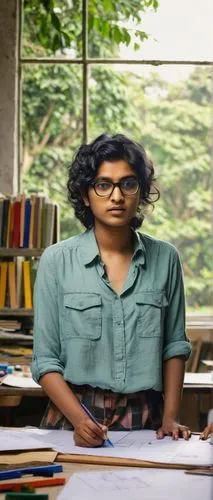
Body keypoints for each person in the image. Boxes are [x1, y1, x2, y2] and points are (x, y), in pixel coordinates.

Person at [31, 133, 192, 447]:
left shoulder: (166, 258)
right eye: (103, 184)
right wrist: (81, 421)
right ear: (86, 194)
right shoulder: (56, 261)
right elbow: (45, 361)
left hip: (147, 417)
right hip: (72, 417)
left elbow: (174, 346)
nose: (116, 196)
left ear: (141, 192)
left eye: (128, 184)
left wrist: (171, 416)